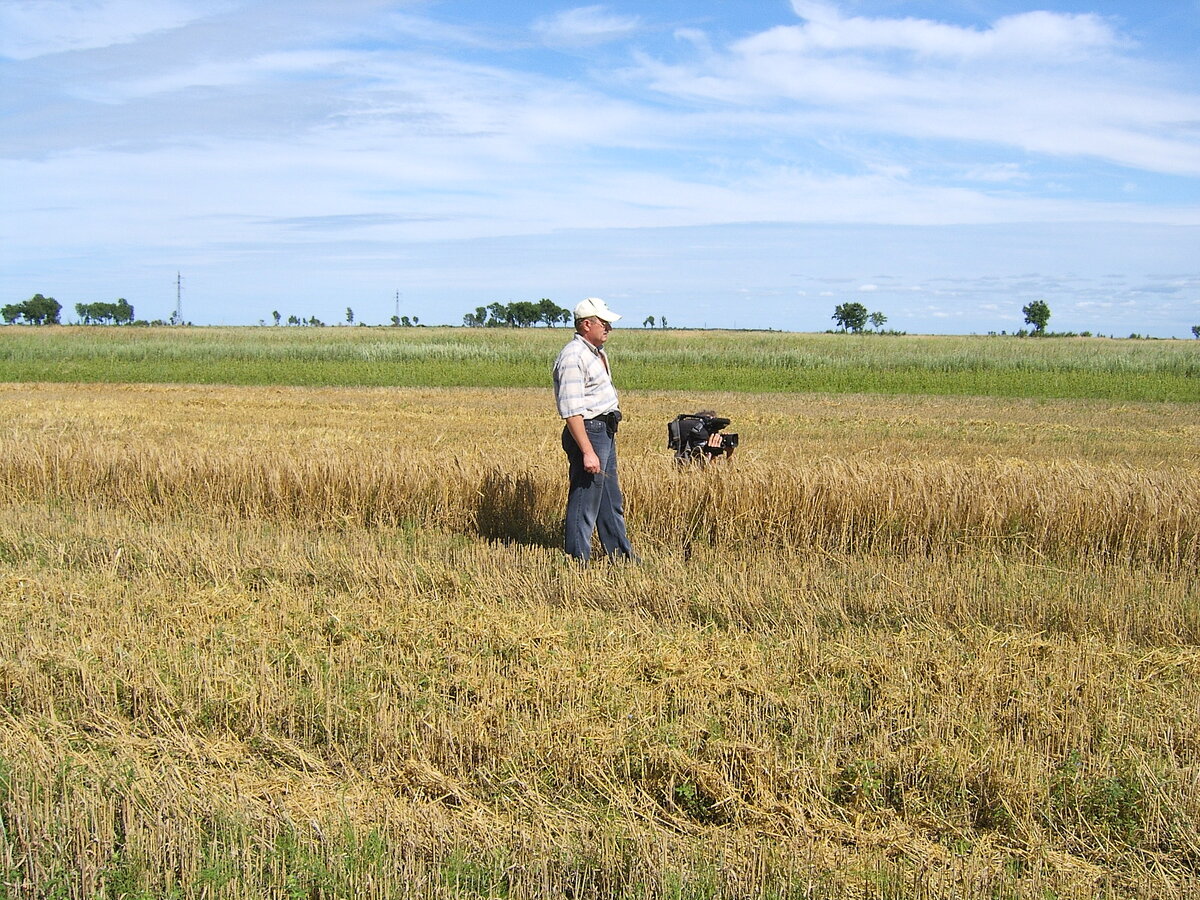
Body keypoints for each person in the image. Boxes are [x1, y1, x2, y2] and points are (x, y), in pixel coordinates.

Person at [552, 298, 637, 562]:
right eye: (604, 323)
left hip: (605, 430)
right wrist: (587, 451)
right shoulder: (573, 357)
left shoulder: (596, 353)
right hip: (589, 432)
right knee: (585, 500)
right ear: (586, 324)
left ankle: (621, 556)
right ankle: (577, 560)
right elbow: (571, 410)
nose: (609, 328)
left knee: (610, 501)